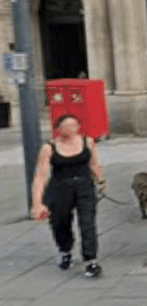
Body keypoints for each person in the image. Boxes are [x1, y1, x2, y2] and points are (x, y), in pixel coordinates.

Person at [30, 115, 106, 278]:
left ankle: (91, 260)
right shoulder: (49, 148)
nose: (70, 129)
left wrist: (101, 181)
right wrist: (37, 203)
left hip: (84, 186)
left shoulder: (88, 142)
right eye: (66, 126)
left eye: (74, 125)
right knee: (60, 222)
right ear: (58, 129)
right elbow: (41, 176)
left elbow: (93, 164)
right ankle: (65, 251)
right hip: (60, 188)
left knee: (87, 222)